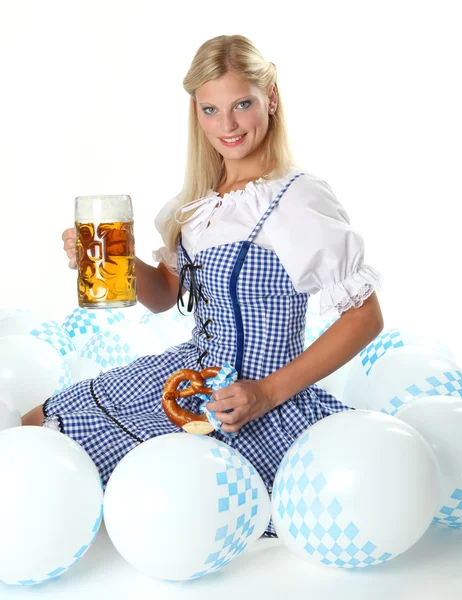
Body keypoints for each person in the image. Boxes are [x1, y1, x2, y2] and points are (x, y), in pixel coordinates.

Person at [22, 34, 384, 536]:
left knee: (180, 504)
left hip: (259, 394)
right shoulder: (197, 202)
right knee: (38, 423)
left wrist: (264, 392)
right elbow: (164, 296)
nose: (227, 125)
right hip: (188, 375)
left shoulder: (298, 200)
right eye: (210, 109)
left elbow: (365, 318)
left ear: (271, 97)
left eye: (241, 104)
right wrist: (111, 259)